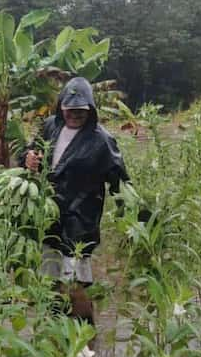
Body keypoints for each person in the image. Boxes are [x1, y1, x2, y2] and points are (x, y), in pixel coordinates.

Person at [24, 77, 129, 321]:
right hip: (49, 216)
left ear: (90, 110)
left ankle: (86, 334)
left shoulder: (101, 140)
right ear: (61, 107)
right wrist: (27, 158)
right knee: (49, 277)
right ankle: (54, 330)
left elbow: (121, 182)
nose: (74, 115)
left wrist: (135, 218)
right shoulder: (50, 126)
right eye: (70, 109)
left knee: (76, 282)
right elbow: (30, 151)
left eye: (80, 110)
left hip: (80, 221)